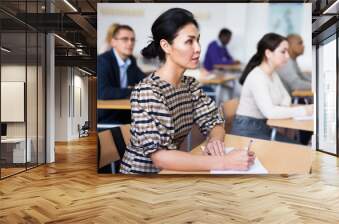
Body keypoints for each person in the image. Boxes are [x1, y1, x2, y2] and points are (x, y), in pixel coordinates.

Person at [119, 8, 255, 174]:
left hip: (172, 172)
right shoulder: (148, 91)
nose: (198, 48)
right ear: (166, 46)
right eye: (189, 41)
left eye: (198, 40)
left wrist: (215, 141)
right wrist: (223, 161)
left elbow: (214, 122)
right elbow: (160, 157)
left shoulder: (190, 85)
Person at [232, 33, 313, 142]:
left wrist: (280, 109)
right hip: (247, 130)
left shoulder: (273, 74)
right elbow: (270, 112)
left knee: (297, 146)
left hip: (264, 126)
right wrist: (303, 110)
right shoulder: (257, 77)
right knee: (296, 148)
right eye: (283, 52)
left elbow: (286, 99)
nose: (288, 56)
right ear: (268, 53)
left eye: (287, 52)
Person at [97, 24, 146, 124]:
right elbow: (103, 93)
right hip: (106, 117)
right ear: (113, 42)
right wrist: (131, 90)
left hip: (126, 115)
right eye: (125, 39)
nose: (130, 43)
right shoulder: (103, 61)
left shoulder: (131, 60)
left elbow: (145, 82)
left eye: (132, 40)